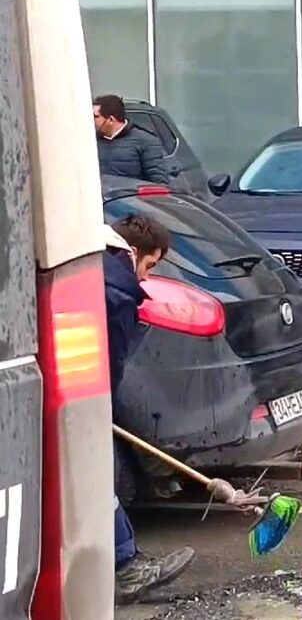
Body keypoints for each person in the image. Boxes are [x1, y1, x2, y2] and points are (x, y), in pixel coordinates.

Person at [104, 214, 195, 603]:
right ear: (133, 254)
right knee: (93, 479)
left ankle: (124, 563)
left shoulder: (95, 269)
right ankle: (126, 568)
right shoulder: (117, 291)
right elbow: (107, 363)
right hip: (78, 401)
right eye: (150, 266)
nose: (145, 278)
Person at [93, 94, 171, 185]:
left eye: (95, 117)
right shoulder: (89, 142)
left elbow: (158, 182)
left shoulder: (145, 141)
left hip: (129, 197)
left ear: (110, 119)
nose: (91, 120)